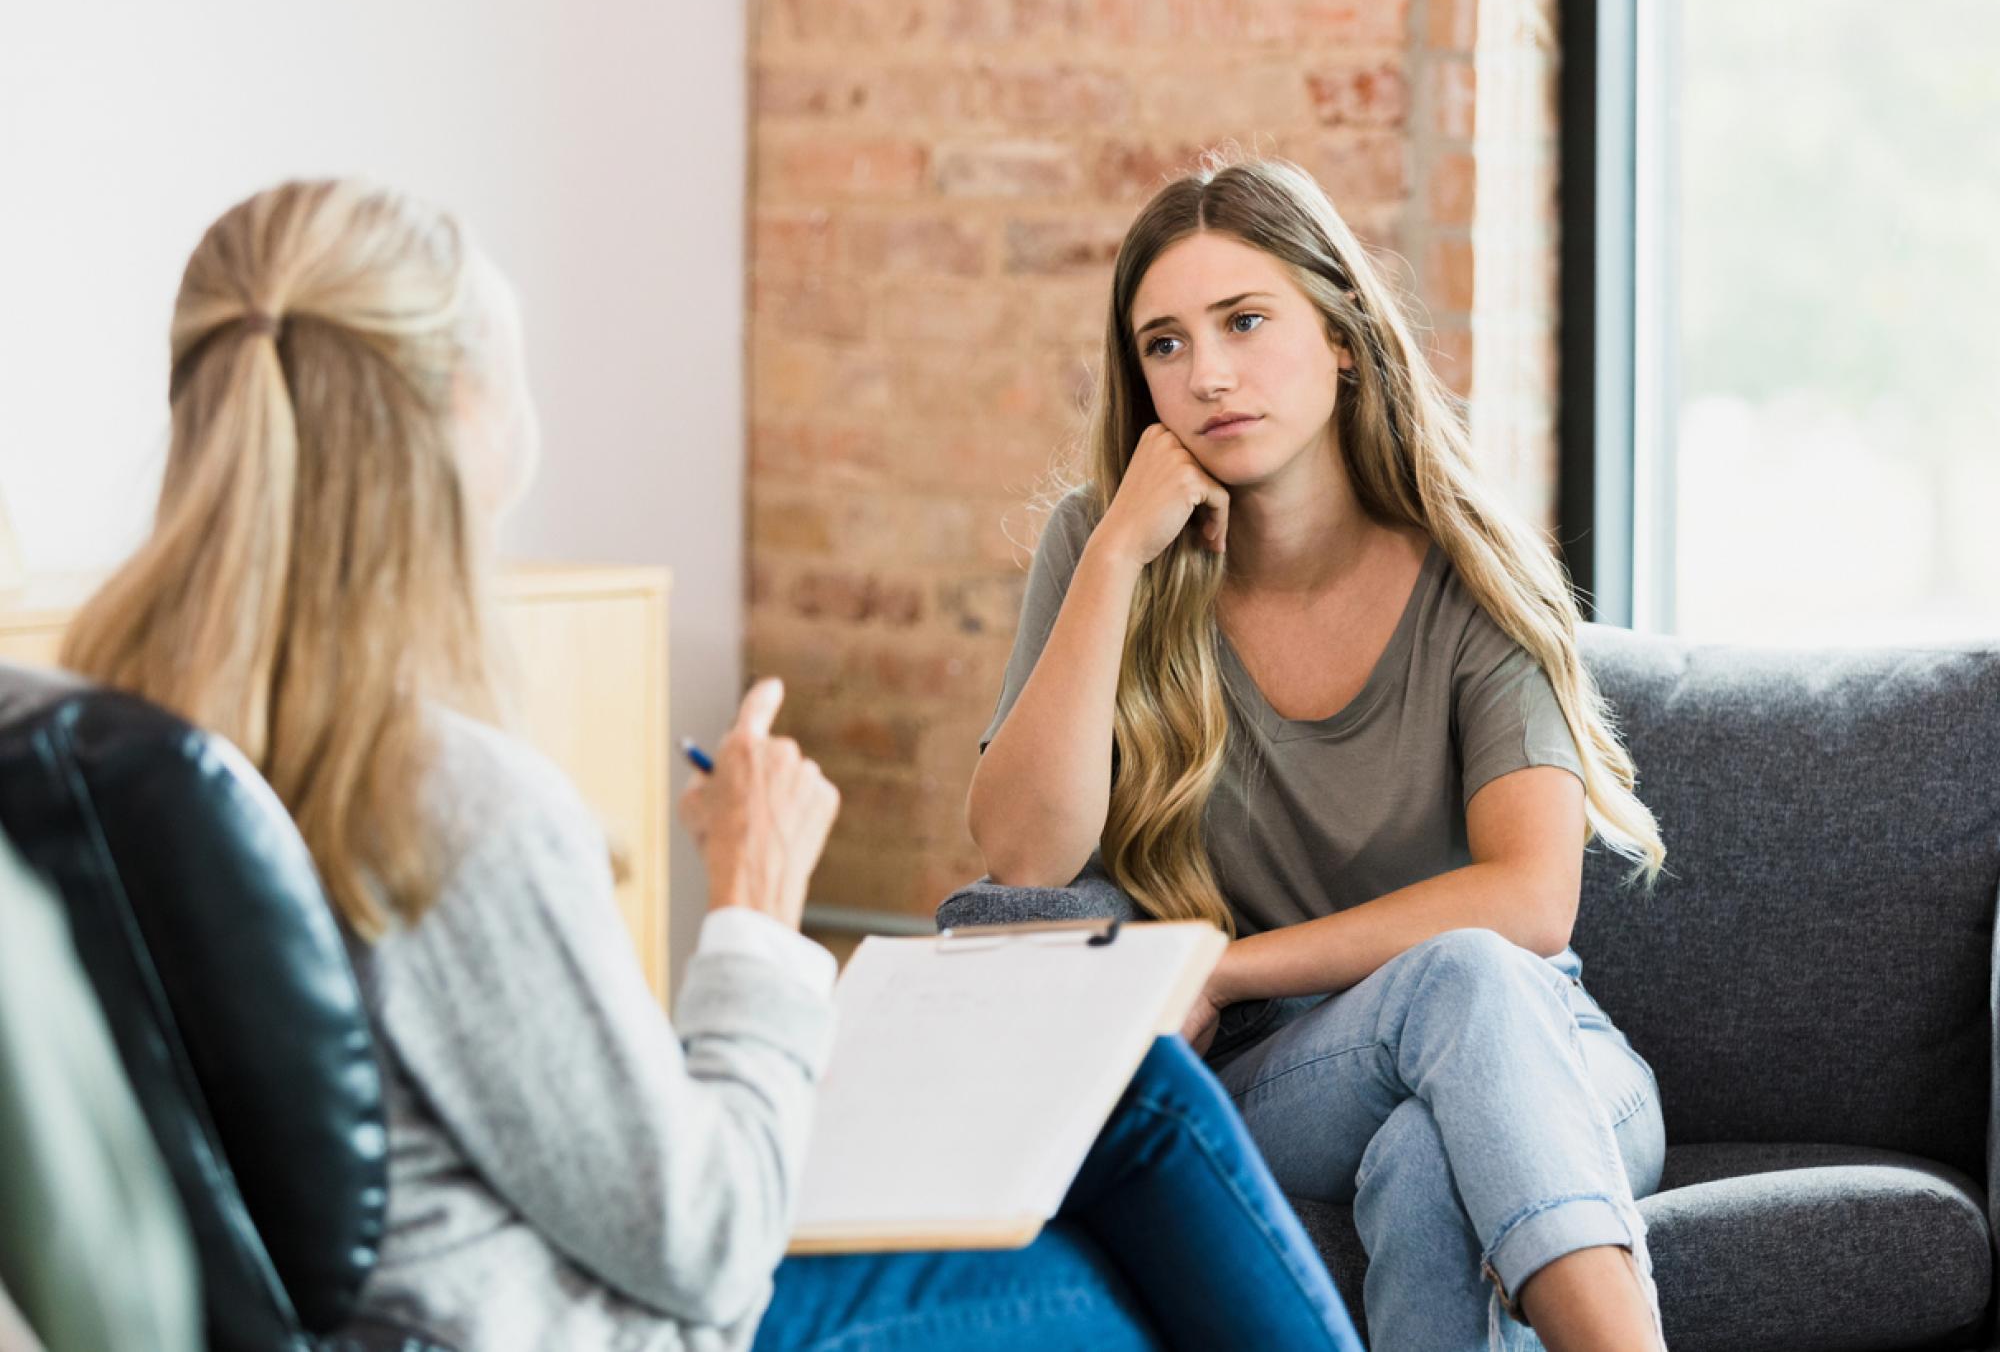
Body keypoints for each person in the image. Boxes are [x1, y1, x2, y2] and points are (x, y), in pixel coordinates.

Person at [60, 178, 1361, 1352]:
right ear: (461, 417)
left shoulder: (117, 742)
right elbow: (703, 1243)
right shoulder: (438, 802)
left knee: (1129, 1092)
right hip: (596, 1324)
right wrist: (753, 904)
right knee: (1117, 1265)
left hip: (469, 1295)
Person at [966, 155, 1670, 1352]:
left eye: (1244, 321)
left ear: (1340, 333)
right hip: (1285, 1079)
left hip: (1548, 1054)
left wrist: (1220, 967)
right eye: (1165, 346)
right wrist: (1113, 563)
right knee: (1454, 990)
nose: (1209, 375)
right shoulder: (1102, 548)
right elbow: (1021, 852)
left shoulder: (1467, 567)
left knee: (1429, 1133)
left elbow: (1529, 901)